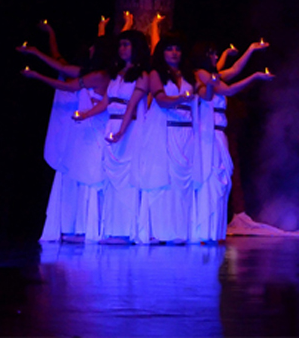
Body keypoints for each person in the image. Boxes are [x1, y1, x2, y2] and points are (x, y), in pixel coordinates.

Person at [20, 32, 114, 242]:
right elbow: (61, 67)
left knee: (89, 175)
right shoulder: (88, 73)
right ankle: (75, 226)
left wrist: (37, 76)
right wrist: (35, 52)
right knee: (76, 175)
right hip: (83, 134)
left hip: (94, 132)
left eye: (94, 47)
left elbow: (68, 86)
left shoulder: (100, 75)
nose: (90, 50)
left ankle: (87, 227)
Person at [191, 41, 274, 242]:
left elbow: (235, 69)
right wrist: (254, 77)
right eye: (212, 54)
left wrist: (250, 50)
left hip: (219, 134)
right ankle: (204, 229)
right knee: (212, 180)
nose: (215, 57)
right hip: (209, 135)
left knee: (221, 180)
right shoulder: (201, 74)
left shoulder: (212, 76)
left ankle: (213, 230)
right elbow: (228, 90)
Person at [91, 29, 151, 244]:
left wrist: (121, 131)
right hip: (112, 124)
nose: (122, 49)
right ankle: (111, 229)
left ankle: (126, 231)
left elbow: (132, 106)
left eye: (127, 44)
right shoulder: (116, 74)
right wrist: (86, 114)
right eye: (121, 45)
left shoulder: (142, 76)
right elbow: (106, 102)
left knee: (126, 178)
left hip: (129, 128)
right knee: (111, 178)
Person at [142, 34, 197, 244]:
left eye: (177, 49)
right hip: (165, 131)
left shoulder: (190, 75)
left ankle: (181, 231)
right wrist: (181, 98)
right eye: (169, 48)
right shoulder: (156, 74)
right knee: (164, 181)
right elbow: (161, 100)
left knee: (182, 183)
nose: (174, 53)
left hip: (186, 132)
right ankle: (160, 231)